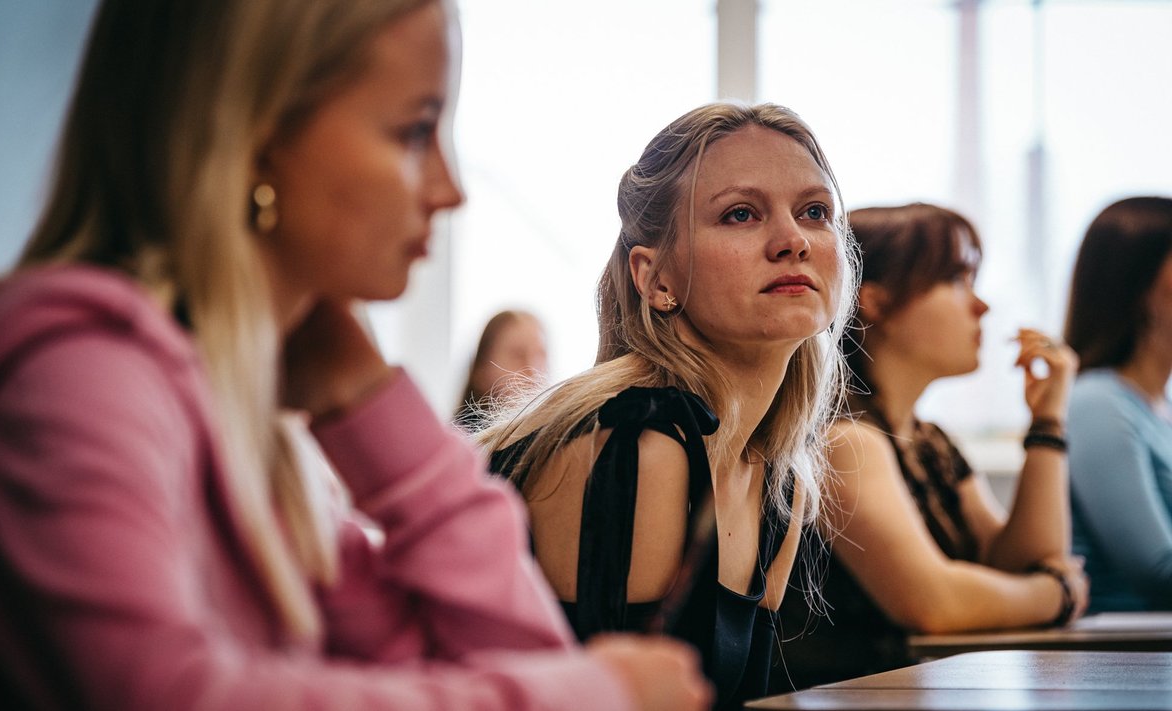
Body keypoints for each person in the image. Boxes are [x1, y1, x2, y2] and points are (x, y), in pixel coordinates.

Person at [0, 1, 713, 709]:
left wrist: (369, 400)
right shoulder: (82, 378)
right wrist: (593, 693)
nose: (449, 190)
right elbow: (166, 697)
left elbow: (505, 656)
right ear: (254, 130)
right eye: (415, 131)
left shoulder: (256, 427)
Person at [482, 101, 860, 709]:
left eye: (815, 212)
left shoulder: (780, 478)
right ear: (655, 277)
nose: (793, 240)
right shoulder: (642, 440)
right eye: (741, 214)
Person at [772, 203, 1090, 690]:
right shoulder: (841, 435)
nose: (980, 306)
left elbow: (1017, 561)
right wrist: (1058, 594)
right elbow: (934, 603)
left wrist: (1047, 421)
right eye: (957, 280)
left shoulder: (929, 441)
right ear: (875, 302)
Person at [1064, 196, 1172, 612]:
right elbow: (1158, 571)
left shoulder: (1158, 409)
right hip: (1123, 656)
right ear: (1139, 284)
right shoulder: (1098, 403)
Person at [454, 309, 550, 432]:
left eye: (541, 355)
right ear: (482, 371)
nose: (533, 370)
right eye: (518, 355)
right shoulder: (461, 443)